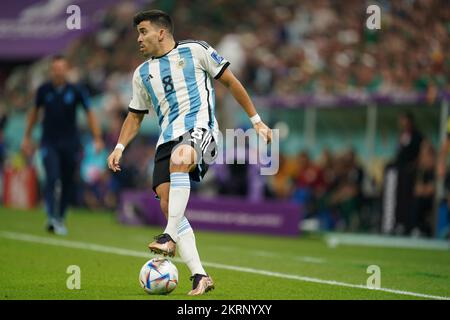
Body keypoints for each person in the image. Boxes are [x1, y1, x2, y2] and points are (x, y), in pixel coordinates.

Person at [107, 10, 272, 295]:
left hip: (202, 130)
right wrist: (119, 147)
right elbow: (135, 116)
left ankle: (168, 236)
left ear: (161, 32)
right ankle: (200, 276)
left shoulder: (196, 50)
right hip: (166, 141)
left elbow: (231, 81)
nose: (139, 38)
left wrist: (256, 121)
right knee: (169, 206)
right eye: (137, 33)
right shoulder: (142, 73)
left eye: (143, 31)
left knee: (181, 159)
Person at [22, 55, 104, 235]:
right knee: (52, 177)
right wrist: (27, 137)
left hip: (70, 144)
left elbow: (89, 113)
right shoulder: (44, 90)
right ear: (52, 70)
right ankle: (51, 216)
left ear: (67, 70)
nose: (58, 72)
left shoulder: (76, 90)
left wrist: (97, 138)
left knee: (67, 181)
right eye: (55, 68)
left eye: (61, 68)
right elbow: (34, 114)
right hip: (49, 142)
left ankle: (60, 217)